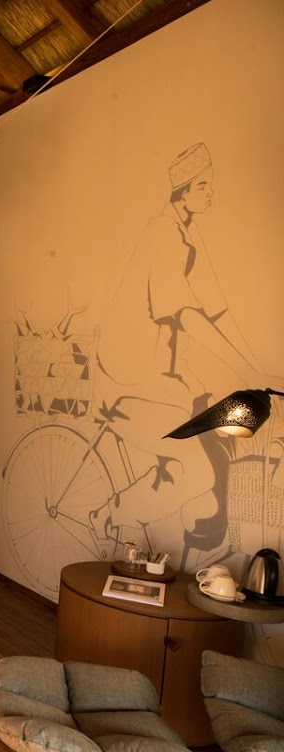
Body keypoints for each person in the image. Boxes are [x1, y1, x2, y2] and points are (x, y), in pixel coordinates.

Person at [91, 143, 275, 550]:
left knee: (216, 437)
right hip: (126, 377)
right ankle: (113, 514)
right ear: (183, 192)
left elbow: (216, 310)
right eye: (203, 186)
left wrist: (255, 365)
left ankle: (202, 532)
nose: (211, 194)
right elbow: (186, 313)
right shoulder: (161, 232)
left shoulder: (190, 234)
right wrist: (244, 370)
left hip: (162, 374)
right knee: (194, 470)